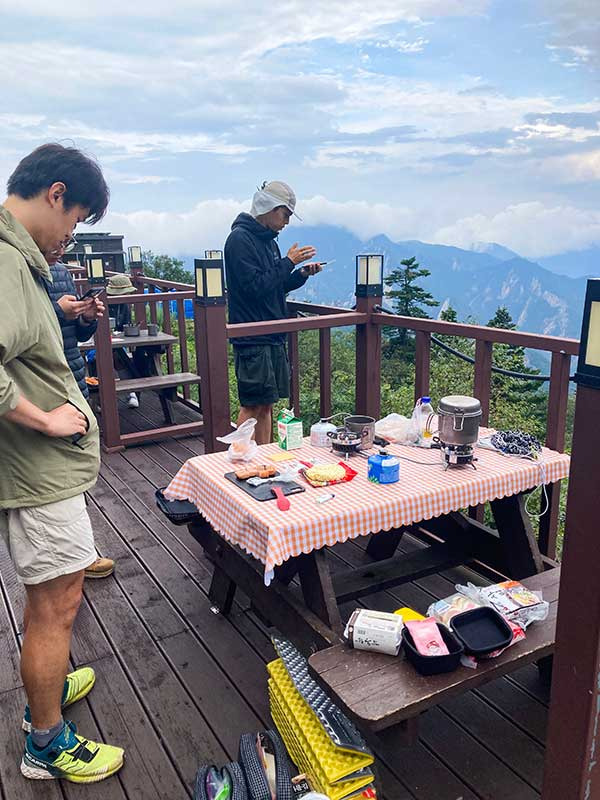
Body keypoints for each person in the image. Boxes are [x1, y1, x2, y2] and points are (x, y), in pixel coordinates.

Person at [0, 143, 124, 783]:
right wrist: (48, 418)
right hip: (35, 471)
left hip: (35, 470)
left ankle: (45, 685)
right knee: (58, 603)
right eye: (75, 220)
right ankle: (46, 740)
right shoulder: (6, 261)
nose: (71, 235)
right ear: (54, 194)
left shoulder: (17, 260)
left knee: (48, 594)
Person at [224, 180, 321, 444]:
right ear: (269, 207)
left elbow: (274, 285)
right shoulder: (239, 240)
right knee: (252, 405)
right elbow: (254, 287)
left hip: (270, 334)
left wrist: (300, 274)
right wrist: (288, 262)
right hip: (252, 336)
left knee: (266, 405)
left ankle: (263, 459)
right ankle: (239, 459)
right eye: (285, 214)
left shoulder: (268, 242)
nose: (287, 222)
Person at [45, 246, 115, 579]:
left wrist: (86, 317)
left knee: (76, 471)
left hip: (72, 379)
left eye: (70, 238)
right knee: (57, 476)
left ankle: (79, 554)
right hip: (44, 385)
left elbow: (74, 335)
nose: (63, 245)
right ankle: (70, 561)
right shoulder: (18, 268)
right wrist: (57, 311)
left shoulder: (60, 272)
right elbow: (28, 329)